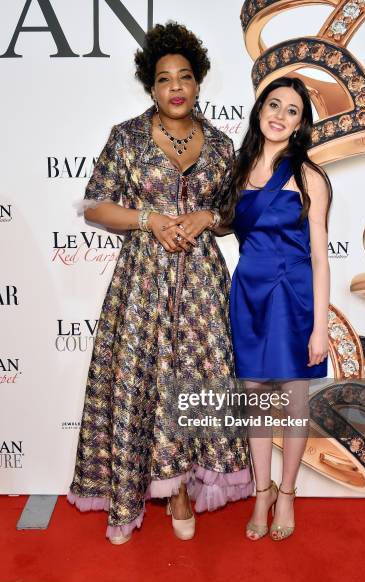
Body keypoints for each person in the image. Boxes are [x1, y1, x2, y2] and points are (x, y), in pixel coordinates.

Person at [67, 22, 252, 545]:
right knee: (138, 383)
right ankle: (130, 497)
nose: (175, 87)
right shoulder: (125, 137)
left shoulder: (219, 144)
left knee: (198, 383)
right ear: (151, 86)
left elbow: (235, 212)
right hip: (143, 281)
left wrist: (206, 219)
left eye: (186, 77)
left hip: (200, 287)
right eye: (164, 78)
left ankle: (182, 491)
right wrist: (149, 219)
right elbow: (96, 205)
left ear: (198, 84)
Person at [224, 76, 332, 541]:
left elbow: (321, 258)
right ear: (259, 110)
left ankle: (286, 493)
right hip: (248, 292)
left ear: (301, 123)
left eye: (292, 110)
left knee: (292, 404)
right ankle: (261, 491)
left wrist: (320, 328)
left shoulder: (309, 176)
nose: (280, 115)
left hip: (294, 298)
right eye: (274, 104)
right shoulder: (237, 169)